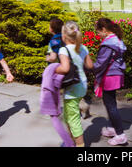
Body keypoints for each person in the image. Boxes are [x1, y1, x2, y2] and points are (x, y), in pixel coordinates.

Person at [55, 21, 93, 147]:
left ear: (64, 36)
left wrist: (54, 69)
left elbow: (65, 68)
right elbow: (90, 65)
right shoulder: (83, 48)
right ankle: (70, 141)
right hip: (82, 86)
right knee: (69, 116)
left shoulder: (64, 50)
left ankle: (79, 145)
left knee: (73, 120)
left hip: (72, 89)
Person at [94, 18, 128, 146]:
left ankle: (120, 135)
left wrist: (86, 66)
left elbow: (99, 64)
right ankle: (114, 129)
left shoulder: (108, 44)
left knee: (111, 105)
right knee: (110, 103)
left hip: (110, 76)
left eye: (98, 31)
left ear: (103, 29)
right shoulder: (116, 40)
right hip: (115, 74)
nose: (97, 34)